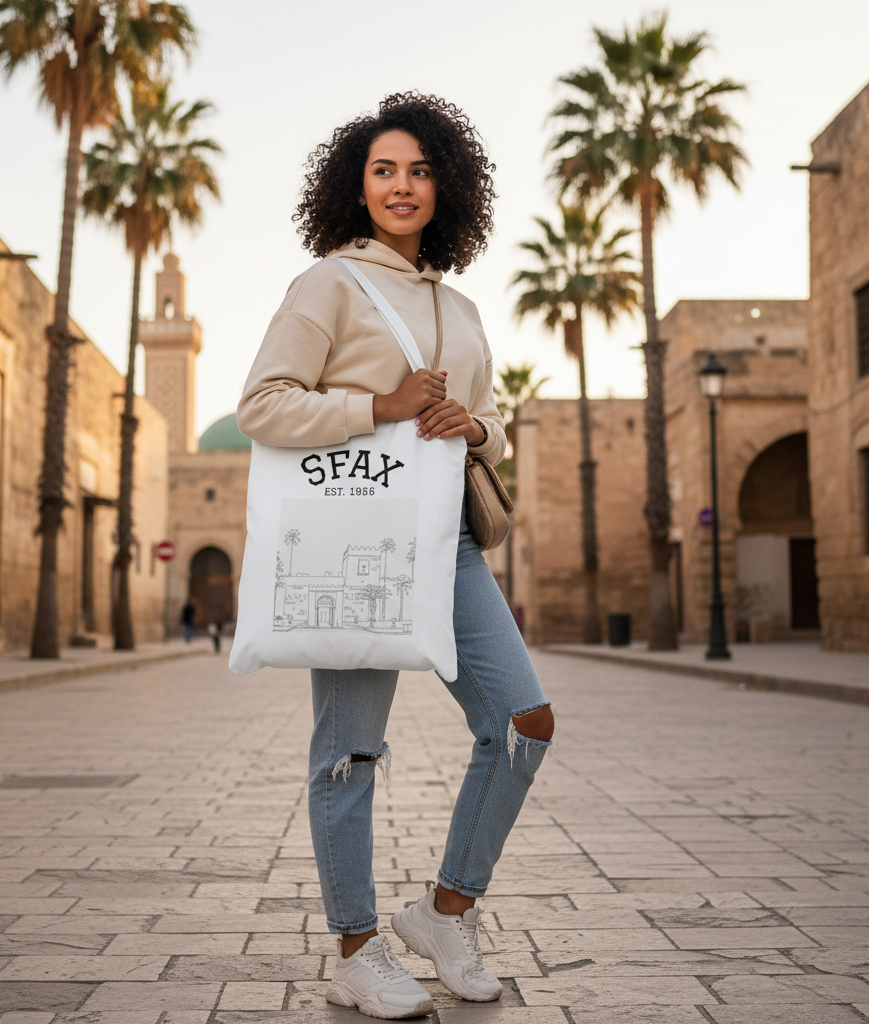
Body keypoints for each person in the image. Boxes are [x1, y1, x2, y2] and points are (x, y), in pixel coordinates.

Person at [237, 92, 554, 1020]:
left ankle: (444, 914)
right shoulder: (327, 285)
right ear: (357, 185)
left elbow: (488, 427)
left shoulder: (461, 306)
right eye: (383, 170)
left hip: (449, 543)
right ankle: (355, 948)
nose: (402, 185)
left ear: (445, 186)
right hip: (355, 537)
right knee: (349, 751)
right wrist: (382, 406)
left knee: (523, 722)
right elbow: (263, 404)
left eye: (419, 170)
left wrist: (476, 426)